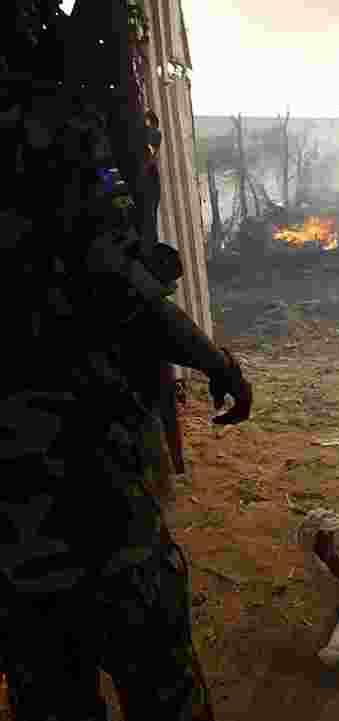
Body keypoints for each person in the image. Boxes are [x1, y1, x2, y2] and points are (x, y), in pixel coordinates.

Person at [0, 5, 253, 720]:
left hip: (15, 524)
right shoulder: (47, 128)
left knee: (50, 691)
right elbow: (118, 287)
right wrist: (215, 360)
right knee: (158, 680)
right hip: (82, 477)